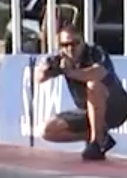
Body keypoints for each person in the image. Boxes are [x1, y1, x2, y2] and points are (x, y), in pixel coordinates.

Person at [36, 25, 127, 160]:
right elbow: (38, 78)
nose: (70, 49)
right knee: (47, 130)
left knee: (93, 84)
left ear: (83, 42)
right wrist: (48, 69)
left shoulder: (95, 52)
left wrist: (69, 72)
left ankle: (96, 142)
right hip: (88, 110)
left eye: (75, 43)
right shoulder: (60, 58)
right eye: (65, 45)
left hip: (116, 107)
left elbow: (98, 72)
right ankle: (102, 137)